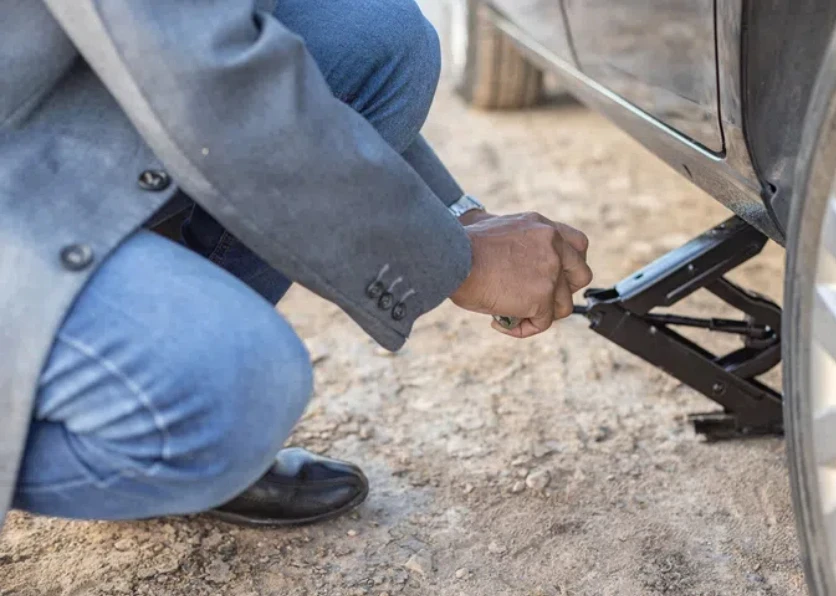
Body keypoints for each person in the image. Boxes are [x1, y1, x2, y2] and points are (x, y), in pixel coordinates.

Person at [0, 0, 592, 529]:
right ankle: (166, 415)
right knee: (239, 384)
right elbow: (204, 74)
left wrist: (458, 218)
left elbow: (247, 43)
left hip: (41, 100)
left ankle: (161, 383)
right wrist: (458, 262)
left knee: (381, 39)